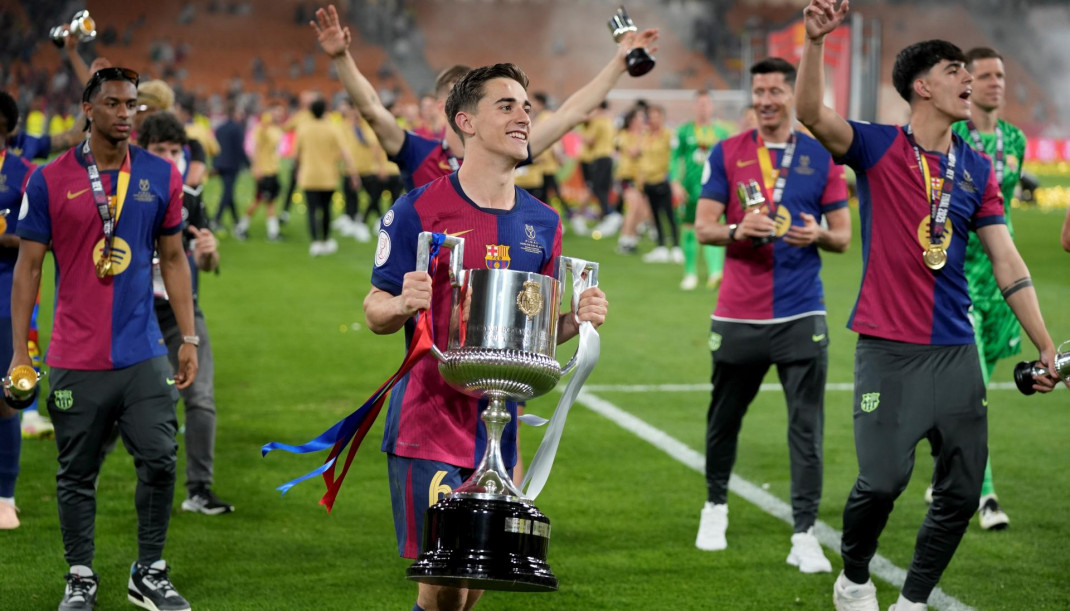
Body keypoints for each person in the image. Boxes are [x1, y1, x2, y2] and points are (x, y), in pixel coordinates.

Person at [795, 2, 1063, 609]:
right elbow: (811, 113)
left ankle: (914, 600)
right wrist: (814, 45)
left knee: (962, 493)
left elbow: (1007, 260)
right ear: (922, 86)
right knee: (883, 482)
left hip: (955, 352)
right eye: (954, 69)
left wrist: (1044, 342)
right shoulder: (877, 147)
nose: (968, 79)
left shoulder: (977, 168)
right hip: (888, 350)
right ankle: (855, 575)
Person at [364, 63, 608, 611]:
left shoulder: (543, 222)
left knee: (472, 587)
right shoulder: (418, 209)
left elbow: (534, 335)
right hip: (427, 421)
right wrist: (402, 302)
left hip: (501, 427)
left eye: (526, 106)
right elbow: (374, 309)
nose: (523, 115)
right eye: (507, 105)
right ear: (465, 122)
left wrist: (575, 320)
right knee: (445, 584)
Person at [11, 66, 199, 611]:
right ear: (88, 110)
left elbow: (173, 257)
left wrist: (187, 337)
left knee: (162, 459)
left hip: (142, 350)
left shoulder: (161, 175)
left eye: (133, 105)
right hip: (75, 354)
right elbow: (27, 270)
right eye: (115, 104)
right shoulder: (47, 179)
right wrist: (22, 350)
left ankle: (150, 570)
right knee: (76, 473)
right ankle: (80, 575)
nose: (126, 114)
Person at [692, 57, 850, 575]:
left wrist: (818, 236)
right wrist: (740, 230)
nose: (764, 100)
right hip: (739, 313)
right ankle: (715, 507)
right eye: (758, 91)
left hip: (801, 312)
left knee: (806, 430)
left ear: (791, 96)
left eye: (775, 91)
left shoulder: (820, 156)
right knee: (724, 421)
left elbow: (843, 236)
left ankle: (804, 533)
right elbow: (703, 228)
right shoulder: (728, 151)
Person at [311, 4, 657, 192]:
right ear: (441, 107)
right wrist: (342, 58)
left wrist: (618, 63)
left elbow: (571, 113)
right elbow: (372, 109)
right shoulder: (417, 152)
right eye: (455, 93)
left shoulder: (505, 152)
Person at [941, 46, 1029, 531]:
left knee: (976, 387)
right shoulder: (951, 135)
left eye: (1001, 74)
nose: (995, 82)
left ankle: (947, 461)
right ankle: (985, 493)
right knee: (974, 392)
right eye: (986, 75)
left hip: (1002, 285)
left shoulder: (1016, 137)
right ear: (968, 82)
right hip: (959, 280)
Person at [138, 111, 234, 517]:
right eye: (160, 150)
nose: (169, 158)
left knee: (201, 398)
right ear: (142, 151)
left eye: (175, 151)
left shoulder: (190, 199)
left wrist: (209, 255)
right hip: (136, 311)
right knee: (132, 402)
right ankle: (84, 476)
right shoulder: (128, 198)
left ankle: (199, 489)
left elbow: (208, 264)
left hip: (182, 311)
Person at [0, 90, 38, 530]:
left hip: (4, 295)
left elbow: (34, 240)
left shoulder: (25, 174)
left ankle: (5, 496)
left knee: (6, 398)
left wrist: (8, 237)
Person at [672, 90, 732, 290]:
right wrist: (675, 182)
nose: (703, 108)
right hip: (689, 188)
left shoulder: (722, 132)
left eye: (706, 104)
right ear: (694, 106)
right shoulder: (684, 131)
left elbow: (729, 161)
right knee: (689, 228)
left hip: (714, 189)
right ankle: (690, 273)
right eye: (700, 104)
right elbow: (674, 158)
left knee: (715, 226)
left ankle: (716, 272)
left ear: (712, 107)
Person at [294, 98, 357, 256]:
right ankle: (326, 239)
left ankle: (315, 241)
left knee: (312, 209)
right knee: (326, 209)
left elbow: (297, 154)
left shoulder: (303, 128)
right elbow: (345, 152)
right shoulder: (332, 128)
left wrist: (297, 171)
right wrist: (353, 173)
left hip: (309, 175)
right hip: (328, 176)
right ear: (325, 111)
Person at [638, 104, 682, 264]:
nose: (653, 120)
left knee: (670, 214)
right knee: (654, 214)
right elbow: (642, 157)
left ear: (662, 117)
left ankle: (676, 247)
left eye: (656, 116)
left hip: (663, 180)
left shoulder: (668, 135)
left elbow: (674, 157)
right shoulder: (645, 135)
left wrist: (670, 176)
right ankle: (661, 246)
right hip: (648, 181)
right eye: (651, 116)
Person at [237, 105, 284, 241]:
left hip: (273, 169)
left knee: (271, 201)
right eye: (276, 112)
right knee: (258, 200)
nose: (279, 115)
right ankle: (241, 227)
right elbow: (256, 149)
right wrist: (256, 168)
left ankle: (273, 232)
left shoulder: (276, 129)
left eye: (281, 113)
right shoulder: (262, 128)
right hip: (264, 170)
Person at [213, 100, 248, 231]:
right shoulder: (237, 128)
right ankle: (216, 219)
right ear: (235, 113)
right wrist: (248, 163)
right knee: (228, 192)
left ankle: (236, 219)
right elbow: (239, 149)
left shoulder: (219, 128)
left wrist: (215, 164)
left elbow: (216, 148)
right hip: (232, 165)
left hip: (221, 164)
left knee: (229, 191)